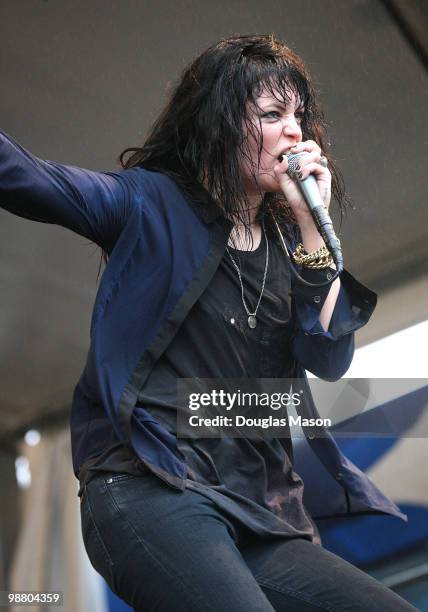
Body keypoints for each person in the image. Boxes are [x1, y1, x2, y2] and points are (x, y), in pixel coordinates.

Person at [0, 34, 416, 611]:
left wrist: (313, 229)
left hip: (259, 513)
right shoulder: (151, 203)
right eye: (273, 115)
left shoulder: (287, 243)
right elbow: (26, 177)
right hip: (151, 486)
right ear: (221, 125)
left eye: (299, 116)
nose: (296, 131)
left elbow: (331, 356)